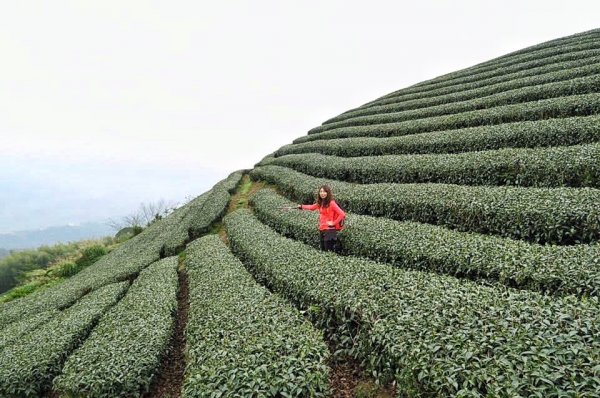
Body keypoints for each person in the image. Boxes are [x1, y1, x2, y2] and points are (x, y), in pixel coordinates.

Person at [297, 185, 346, 252]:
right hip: (322, 228)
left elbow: (342, 214)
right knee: (323, 250)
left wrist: (334, 223)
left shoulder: (331, 203)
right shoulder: (321, 203)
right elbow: (312, 207)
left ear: (328, 193)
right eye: (321, 191)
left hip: (330, 230)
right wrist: (302, 206)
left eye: (324, 192)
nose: (322, 193)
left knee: (328, 252)